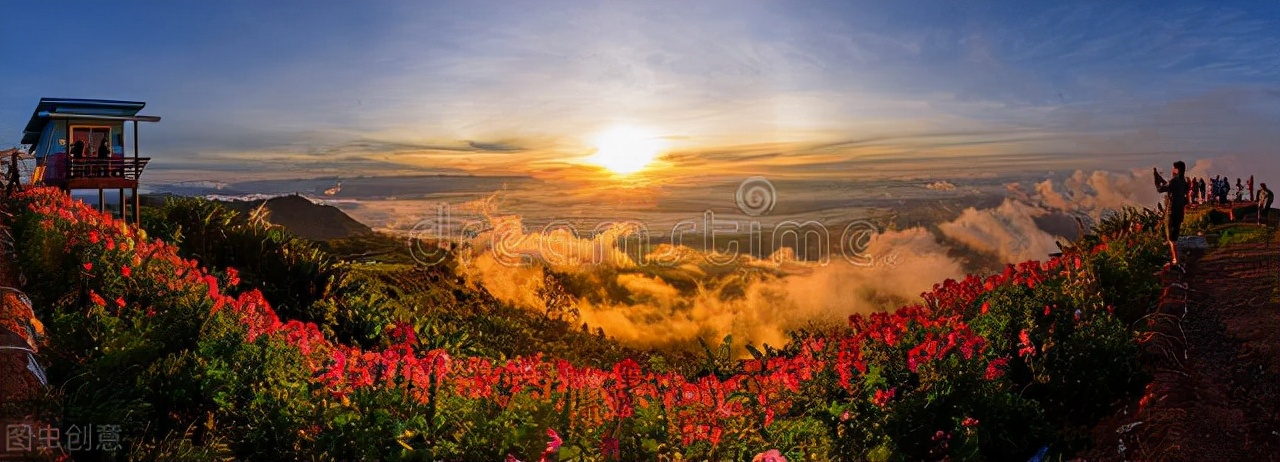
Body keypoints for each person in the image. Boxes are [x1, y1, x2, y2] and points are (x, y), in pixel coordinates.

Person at [1154, 161, 1189, 272]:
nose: (1172, 170)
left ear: (1177, 170)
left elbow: (1160, 189)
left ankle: (1175, 262)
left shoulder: (1175, 181)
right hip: (1180, 212)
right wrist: (1160, 178)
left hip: (1172, 212)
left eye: (1173, 168)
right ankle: (1175, 260)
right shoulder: (1184, 182)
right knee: (1175, 236)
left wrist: (1156, 178)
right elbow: (1169, 186)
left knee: (1170, 238)